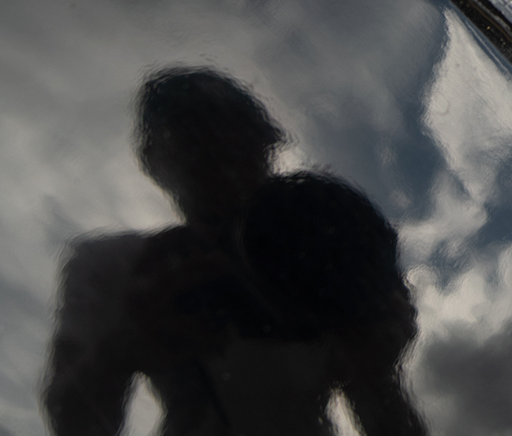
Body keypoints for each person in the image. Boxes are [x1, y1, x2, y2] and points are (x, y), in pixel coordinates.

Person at [44, 68, 426, 436]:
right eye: (193, 139)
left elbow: (379, 408)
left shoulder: (318, 256)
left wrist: (378, 368)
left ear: (265, 148)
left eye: (239, 135)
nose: (221, 156)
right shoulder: (125, 266)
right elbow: (71, 422)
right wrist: (126, 347)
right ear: (153, 159)